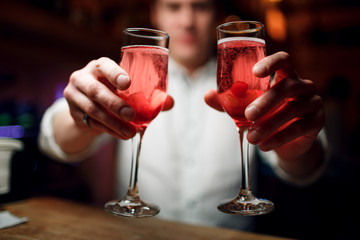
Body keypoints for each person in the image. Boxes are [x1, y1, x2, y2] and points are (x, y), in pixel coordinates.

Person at [39, 0, 326, 231]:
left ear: (216, 14)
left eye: (199, 6)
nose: (187, 21)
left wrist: (298, 146)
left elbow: (304, 171)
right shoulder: (128, 74)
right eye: (174, 6)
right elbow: (54, 141)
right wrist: (82, 116)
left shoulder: (249, 77)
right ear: (155, 13)